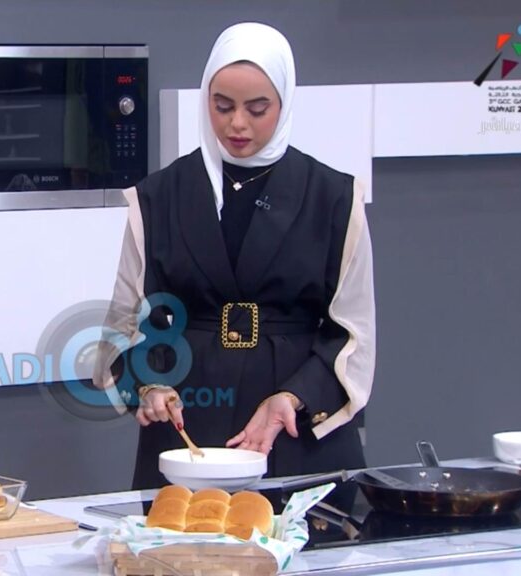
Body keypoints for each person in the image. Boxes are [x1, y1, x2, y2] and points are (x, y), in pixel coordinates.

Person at [97, 23, 376, 489]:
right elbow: (128, 321)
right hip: (190, 419)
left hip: (295, 423)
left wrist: (296, 397)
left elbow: (353, 332)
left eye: (257, 108)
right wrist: (149, 385)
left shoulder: (333, 197)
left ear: (284, 102)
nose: (237, 124)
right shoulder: (159, 196)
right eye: (222, 106)